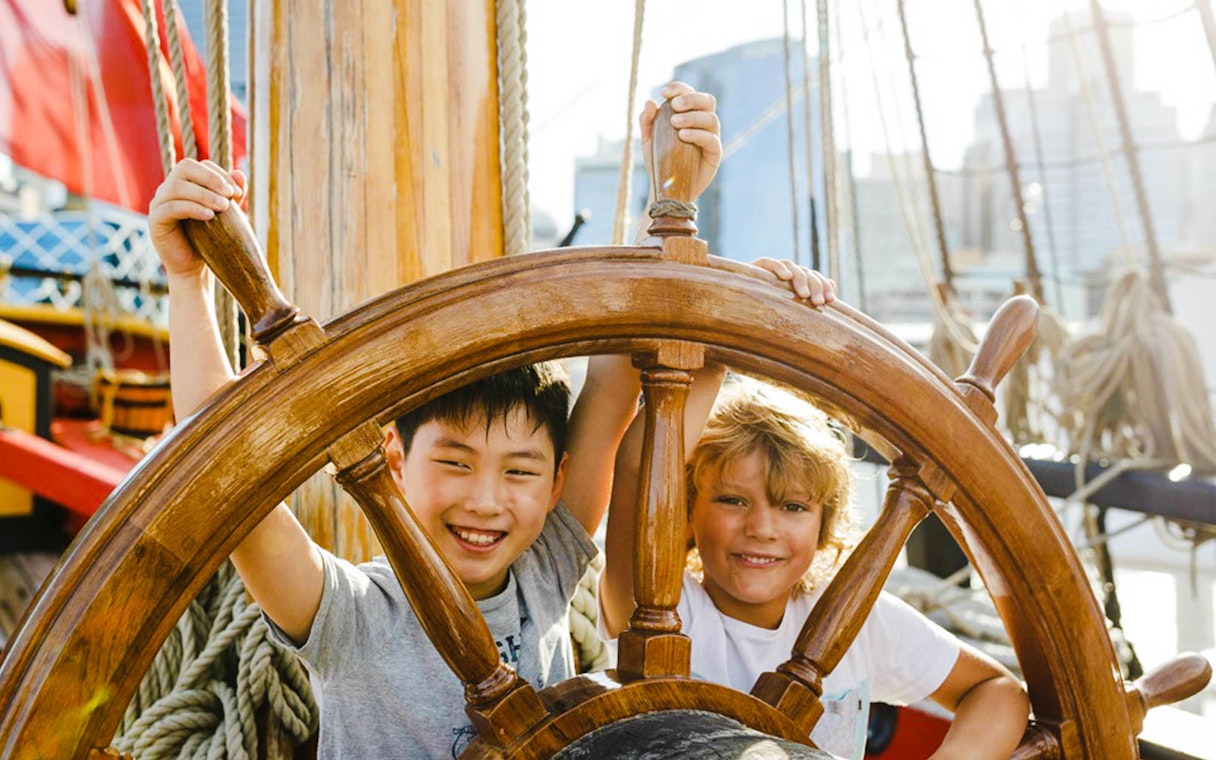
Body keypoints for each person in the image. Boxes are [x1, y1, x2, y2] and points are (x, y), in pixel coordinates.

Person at [147, 82, 721, 758]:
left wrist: (675, 205)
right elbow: (226, 466)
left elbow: (613, 377)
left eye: (519, 471)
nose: (484, 499)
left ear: (559, 478)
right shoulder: (347, 616)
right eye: (454, 461)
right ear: (393, 458)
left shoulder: (549, 565)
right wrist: (188, 285)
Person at [599, 369, 1031, 760]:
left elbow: (996, 691)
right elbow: (640, 468)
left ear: (824, 527)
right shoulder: (660, 608)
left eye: (792, 506)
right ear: (685, 514)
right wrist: (716, 348)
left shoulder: (854, 621)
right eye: (733, 500)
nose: (762, 528)